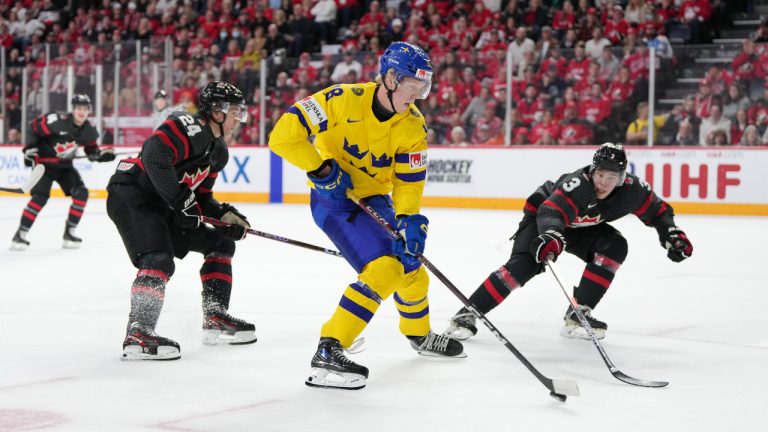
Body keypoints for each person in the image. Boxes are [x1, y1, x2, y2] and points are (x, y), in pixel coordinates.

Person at [269, 42, 465, 390]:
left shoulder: (413, 126)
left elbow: (408, 180)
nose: (418, 96)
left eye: (423, 88)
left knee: (412, 271)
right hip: (335, 201)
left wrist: (409, 218)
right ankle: (329, 348)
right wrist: (321, 168)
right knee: (385, 269)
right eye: (413, 87)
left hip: (376, 199)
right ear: (391, 78)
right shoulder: (340, 99)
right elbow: (282, 136)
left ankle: (419, 335)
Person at [445, 143, 693, 341]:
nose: (603, 183)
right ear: (592, 171)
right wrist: (551, 235)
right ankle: (468, 313)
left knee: (615, 245)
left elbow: (659, 211)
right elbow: (551, 211)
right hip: (542, 219)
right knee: (523, 266)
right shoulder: (578, 185)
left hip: (579, 227)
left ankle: (579, 313)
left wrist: (672, 234)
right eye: (600, 174)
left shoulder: (632, 191)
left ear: (622, 178)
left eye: (611, 177)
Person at [106, 81, 256, 360]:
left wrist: (224, 216)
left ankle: (215, 317)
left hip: (164, 204)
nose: (239, 118)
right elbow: (153, 154)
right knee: (158, 258)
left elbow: (201, 196)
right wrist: (179, 199)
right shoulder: (190, 126)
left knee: (221, 243)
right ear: (217, 111)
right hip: (133, 194)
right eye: (235, 111)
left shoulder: (218, 151)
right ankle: (138, 334)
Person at [10, 94, 115, 251]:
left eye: (85, 109)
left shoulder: (88, 130)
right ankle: (20, 235)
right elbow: (33, 127)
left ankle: (69, 233)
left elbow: (92, 151)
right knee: (40, 198)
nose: (82, 112)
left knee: (81, 193)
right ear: (73, 109)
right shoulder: (57, 120)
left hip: (65, 166)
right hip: (44, 165)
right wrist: (30, 148)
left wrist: (101, 156)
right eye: (79, 108)